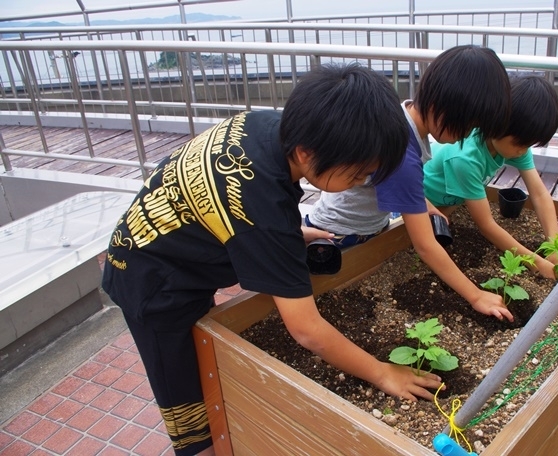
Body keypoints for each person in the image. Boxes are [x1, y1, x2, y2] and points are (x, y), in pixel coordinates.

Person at [101, 63, 445, 456]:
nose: (362, 183)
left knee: (203, 363)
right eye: (357, 175)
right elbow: (306, 330)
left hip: (169, 249)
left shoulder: (266, 126)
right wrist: (383, 373)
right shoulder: (260, 207)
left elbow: (222, 207)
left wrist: (289, 233)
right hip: (152, 285)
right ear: (306, 153)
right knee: (190, 414)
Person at [306, 45, 515, 323]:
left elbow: (391, 183)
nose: (465, 136)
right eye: (465, 126)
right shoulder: (403, 153)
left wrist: (423, 204)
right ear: (440, 106)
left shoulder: (401, 117)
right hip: (340, 237)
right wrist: (476, 295)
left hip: (355, 227)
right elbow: (425, 246)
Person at [423, 73, 558, 279]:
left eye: (529, 145)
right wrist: (536, 263)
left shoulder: (512, 143)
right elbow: (486, 225)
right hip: (419, 203)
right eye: (520, 144)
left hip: (448, 204)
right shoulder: (466, 159)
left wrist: (555, 246)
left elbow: (540, 194)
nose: (523, 151)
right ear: (498, 124)